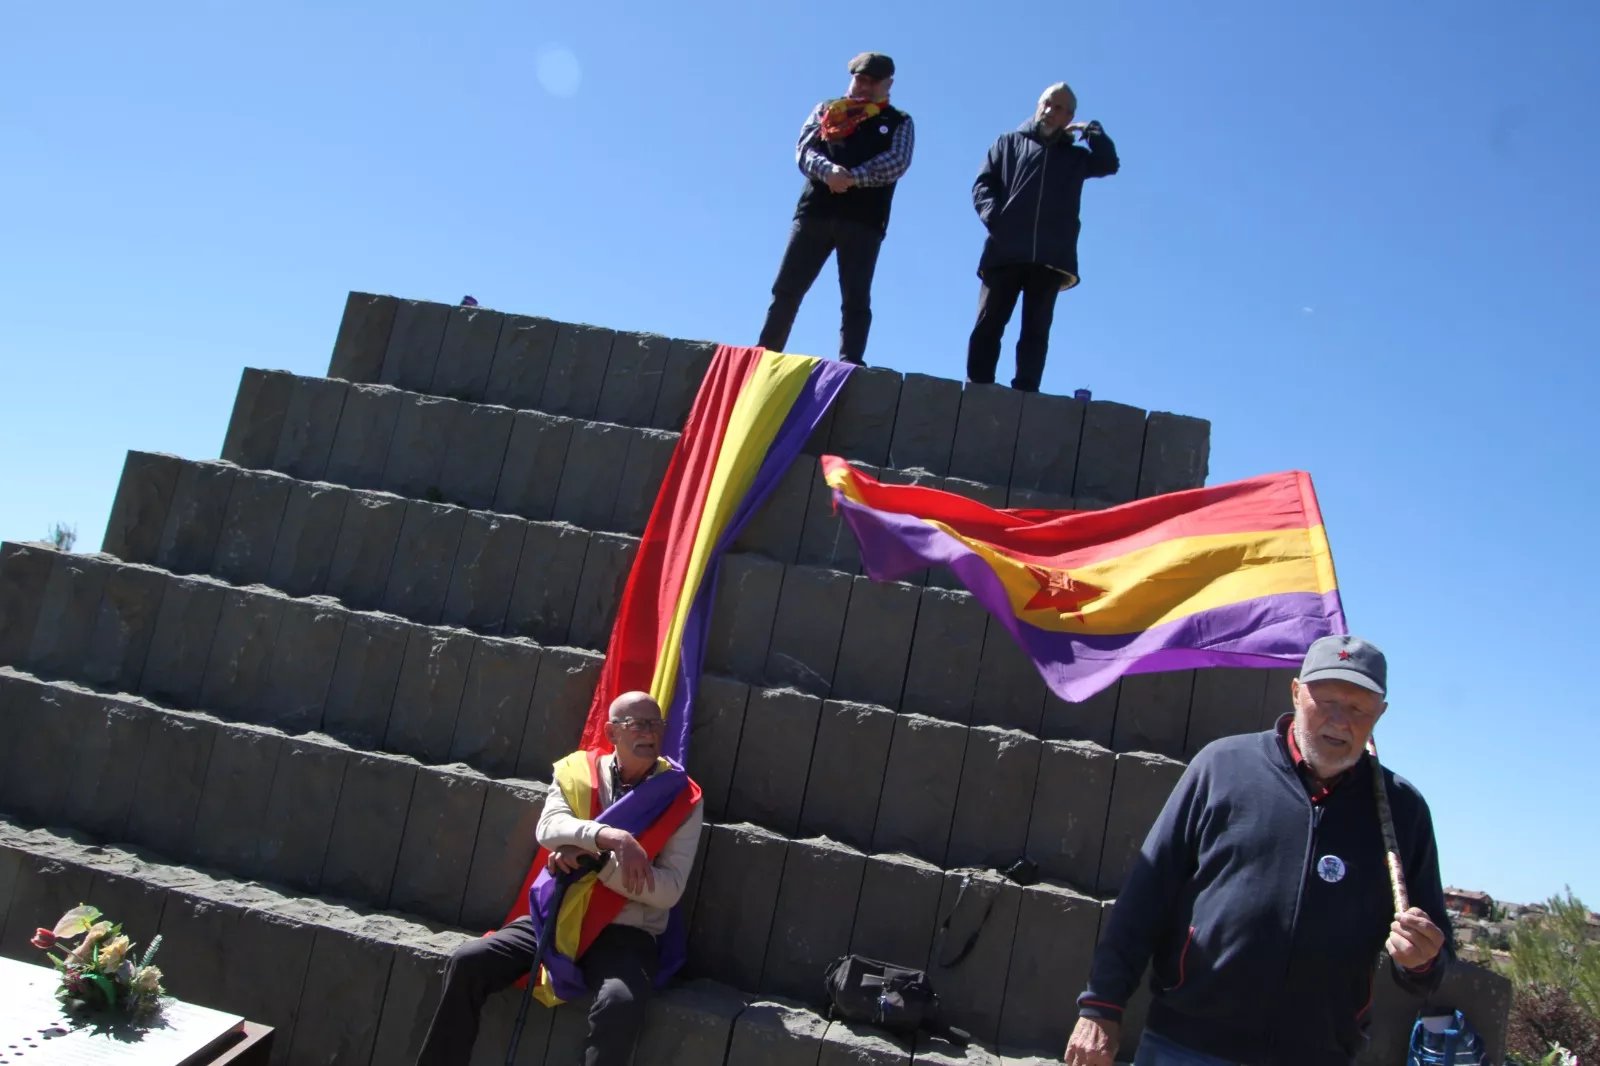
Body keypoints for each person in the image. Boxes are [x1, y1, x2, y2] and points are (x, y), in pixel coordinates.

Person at [1064, 635, 1452, 1066]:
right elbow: (1145, 896)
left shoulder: (1403, 812)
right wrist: (1101, 1007)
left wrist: (1420, 960)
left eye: (1359, 707)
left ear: (1380, 715)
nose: (1340, 721)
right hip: (1186, 1045)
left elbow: (1432, 962)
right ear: (1295, 692)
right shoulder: (1223, 767)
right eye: (1325, 700)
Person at [414, 692, 704, 1066]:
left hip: (625, 932)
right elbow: (549, 828)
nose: (650, 732)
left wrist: (598, 862)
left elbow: (668, 890)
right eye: (638, 724)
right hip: (557, 912)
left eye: (656, 724)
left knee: (620, 1004)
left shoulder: (681, 797)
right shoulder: (577, 773)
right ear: (612, 732)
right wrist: (611, 838)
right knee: (469, 961)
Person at [757, 52, 914, 366]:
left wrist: (852, 178)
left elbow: (897, 162)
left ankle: (850, 361)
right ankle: (764, 354)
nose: (866, 86)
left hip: (864, 220)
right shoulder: (826, 109)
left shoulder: (899, 120)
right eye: (861, 79)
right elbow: (804, 149)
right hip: (814, 211)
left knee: (855, 297)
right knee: (787, 288)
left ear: (889, 84)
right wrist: (828, 172)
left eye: (874, 81)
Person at [968, 83, 1119, 392]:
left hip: (1051, 256)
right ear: (1038, 105)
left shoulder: (1075, 158)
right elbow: (983, 185)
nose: (1052, 111)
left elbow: (1108, 163)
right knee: (989, 322)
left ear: (1070, 117)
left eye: (1062, 108)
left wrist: (1091, 130)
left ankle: (1026, 390)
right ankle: (978, 387)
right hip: (1004, 249)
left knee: (1036, 330)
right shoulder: (1008, 142)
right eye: (1049, 104)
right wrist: (996, 219)